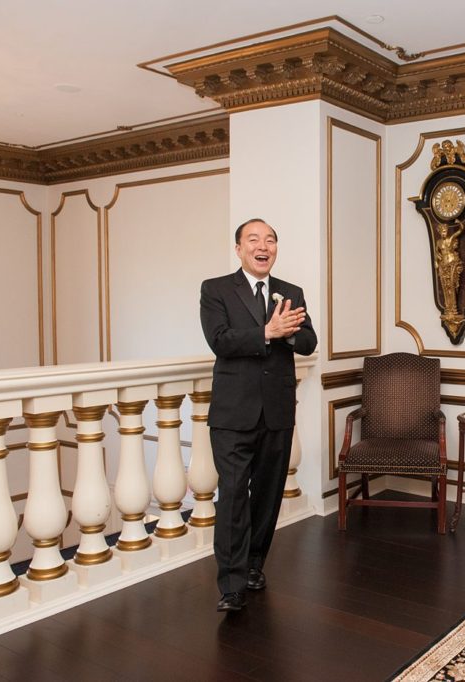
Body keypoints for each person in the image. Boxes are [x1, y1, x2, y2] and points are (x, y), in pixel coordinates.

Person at [200, 218, 317, 613]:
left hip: (277, 411)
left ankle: (253, 565)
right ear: (239, 249)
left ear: (276, 249)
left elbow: (309, 341)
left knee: (267, 496)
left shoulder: (291, 292)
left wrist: (289, 332)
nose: (262, 246)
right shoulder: (215, 289)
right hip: (233, 414)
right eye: (253, 239)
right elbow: (220, 340)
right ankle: (231, 584)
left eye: (269, 240)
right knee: (233, 496)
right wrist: (268, 332)